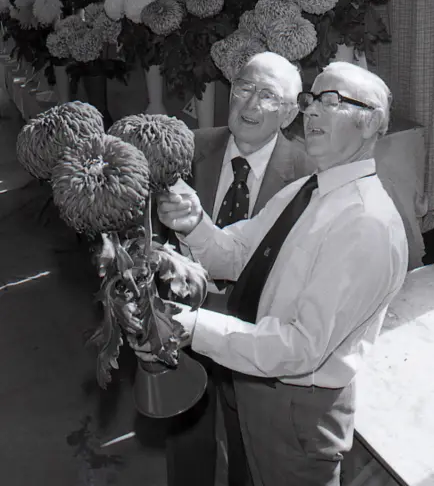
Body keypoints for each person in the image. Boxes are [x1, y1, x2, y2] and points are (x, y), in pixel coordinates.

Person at [149, 60, 409, 486]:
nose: (311, 111)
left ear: (371, 124)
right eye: (311, 99)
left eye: (333, 100)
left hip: (296, 408)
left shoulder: (365, 222)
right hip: (257, 382)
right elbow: (235, 254)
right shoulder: (306, 191)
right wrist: (193, 224)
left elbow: (301, 348)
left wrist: (190, 327)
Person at [164, 51, 315, 486]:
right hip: (183, 320)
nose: (249, 105)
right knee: (186, 441)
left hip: (258, 332)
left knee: (250, 452)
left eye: (267, 95)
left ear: (289, 113)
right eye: (244, 88)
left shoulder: (308, 174)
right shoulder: (185, 147)